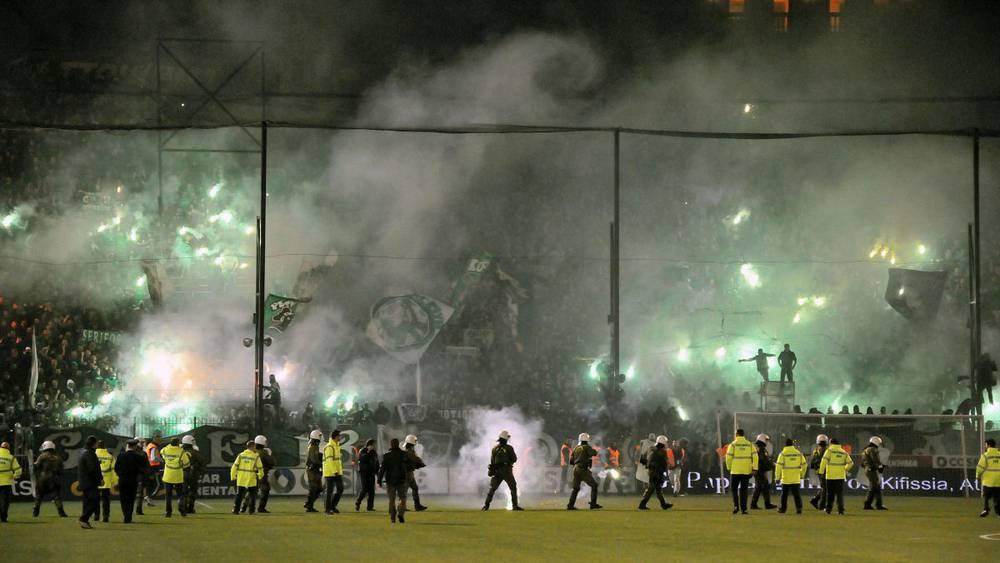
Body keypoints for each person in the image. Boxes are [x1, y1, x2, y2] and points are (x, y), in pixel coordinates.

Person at [483, 430, 524, 511]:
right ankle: (514, 506)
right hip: (506, 470)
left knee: (492, 488)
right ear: (506, 439)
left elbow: (492, 462)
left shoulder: (494, 449)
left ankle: (486, 505)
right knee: (513, 487)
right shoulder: (509, 448)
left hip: (497, 470)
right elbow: (514, 459)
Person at [724, 428, 758, 515]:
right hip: (746, 471)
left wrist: (729, 467)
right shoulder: (750, 445)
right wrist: (754, 468)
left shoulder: (733, 444)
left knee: (734, 489)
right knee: (744, 490)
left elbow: (728, 457)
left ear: (737, 434)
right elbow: (755, 457)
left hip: (735, 471)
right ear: (743, 435)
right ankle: (744, 509)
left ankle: (736, 506)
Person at [378, 438, 411, 523]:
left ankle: (393, 517)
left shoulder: (386, 455)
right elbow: (408, 467)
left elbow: (382, 469)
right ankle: (400, 513)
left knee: (391, 500)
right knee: (402, 499)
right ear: (398, 444)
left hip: (390, 481)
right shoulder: (404, 454)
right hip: (401, 480)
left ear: (391, 445)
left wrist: (379, 480)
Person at [567, 432, 602, 510]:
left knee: (576, 488)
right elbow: (594, 453)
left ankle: (570, 505)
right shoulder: (586, 447)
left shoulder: (576, 448)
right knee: (594, 485)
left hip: (575, 469)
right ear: (587, 439)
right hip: (582, 469)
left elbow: (571, 461)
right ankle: (593, 504)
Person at [32, 440, 68, 518]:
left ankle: (35, 511)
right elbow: (61, 470)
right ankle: (61, 512)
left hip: (42, 478)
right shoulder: (58, 458)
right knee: (56, 496)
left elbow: (36, 466)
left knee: (39, 495)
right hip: (54, 479)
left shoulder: (42, 456)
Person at [114, 439, 146, 523]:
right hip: (133, 480)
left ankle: (126, 515)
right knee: (131, 499)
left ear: (128, 445)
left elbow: (116, 468)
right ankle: (129, 517)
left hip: (122, 480)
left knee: (123, 499)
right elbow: (144, 468)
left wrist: (120, 475)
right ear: (135, 446)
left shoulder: (121, 455)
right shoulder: (138, 457)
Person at [819, 438, 853, 515]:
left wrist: (821, 472)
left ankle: (828, 510)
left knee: (830, 494)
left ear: (831, 443)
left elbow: (823, 461)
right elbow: (851, 463)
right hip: (840, 476)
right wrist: (845, 469)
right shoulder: (843, 452)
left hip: (830, 476)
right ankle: (841, 510)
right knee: (839, 494)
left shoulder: (829, 451)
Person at [638, 435, 673, 510]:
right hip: (657, 471)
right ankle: (642, 504)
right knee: (652, 488)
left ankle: (663, 504)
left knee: (657, 488)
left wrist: (648, 465)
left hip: (651, 470)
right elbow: (664, 463)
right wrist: (665, 472)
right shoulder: (663, 451)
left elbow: (642, 459)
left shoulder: (650, 448)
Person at [231, 440, 263, 515]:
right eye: (255, 446)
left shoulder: (241, 455)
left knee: (239, 495)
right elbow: (260, 467)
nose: (255, 448)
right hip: (251, 478)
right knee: (252, 495)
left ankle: (235, 510)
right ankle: (251, 511)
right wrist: (260, 475)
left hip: (241, 478)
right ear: (252, 447)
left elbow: (234, 466)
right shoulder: (256, 456)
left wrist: (233, 476)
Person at [774, 438, 805, 514]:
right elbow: (804, 465)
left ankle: (783, 509)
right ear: (792, 444)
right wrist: (801, 474)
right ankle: (799, 508)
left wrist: (777, 477)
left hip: (786, 478)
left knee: (784, 495)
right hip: (795, 477)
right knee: (796, 495)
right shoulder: (798, 453)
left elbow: (778, 466)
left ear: (785, 444)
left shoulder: (783, 454)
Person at [78, 435, 103, 529]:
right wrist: (99, 479)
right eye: (96, 443)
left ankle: (85, 522)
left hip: (84, 481)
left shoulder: (82, 452)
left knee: (87, 502)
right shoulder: (90, 453)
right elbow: (92, 469)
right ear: (93, 444)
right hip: (90, 482)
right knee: (95, 501)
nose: (97, 444)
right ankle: (83, 519)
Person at [161, 436, 189, 517]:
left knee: (168, 495)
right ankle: (182, 510)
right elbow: (186, 464)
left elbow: (162, 453)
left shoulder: (165, 450)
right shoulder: (181, 451)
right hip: (178, 476)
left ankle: (168, 512)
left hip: (167, 475)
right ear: (178, 443)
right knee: (180, 494)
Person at [750, 434, 777, 510]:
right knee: (764, 486)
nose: (767, 441)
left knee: (759, 487)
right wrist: (771, 464)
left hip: (758, 469)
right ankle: (766, 504)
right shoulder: (761, 448)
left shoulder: (757, 446)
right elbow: (763, 460)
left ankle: (755, 504)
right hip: (759, 470)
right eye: (766, 440)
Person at [861, 436, 887, 511]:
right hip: (871, 470)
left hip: (868, 469)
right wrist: (880, 466)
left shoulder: (865, 449)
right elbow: (875, 460)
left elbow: (863, 463)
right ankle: (868, 504)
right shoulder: (873, 449)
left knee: (876, 487)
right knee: (874, 488)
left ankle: (877, 504)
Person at [95, 440, 118, 522]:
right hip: (106, 481)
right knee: (106, 500)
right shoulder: (110, 456)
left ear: (97, 446)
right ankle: (105, 517)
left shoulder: (93, 455)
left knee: (95, 499)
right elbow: (113, 470)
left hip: (95, 481)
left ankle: (96, 516)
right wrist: (115, 482)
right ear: (104, 446)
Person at [404, 434, 428, 511]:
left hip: (409, 473)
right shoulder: (410, 451)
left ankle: (417, 506)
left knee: (414, 488)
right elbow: (415, 459)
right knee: (406, 490)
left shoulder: (409, 450)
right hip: (407, 473)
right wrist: (421, 463)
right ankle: (404, 506)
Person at [323, 429, 345, 514]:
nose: (340, 437)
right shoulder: (329, 447)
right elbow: (329, 461)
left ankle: (332, 506)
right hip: (330, 472)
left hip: (337, 472)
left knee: (340, 489)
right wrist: (334, 471)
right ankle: (327, 509)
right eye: (339, 436)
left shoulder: (336, 446)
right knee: (329, 491)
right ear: (336, 437)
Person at [977, 438, 1000, 517]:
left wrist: (978, 476)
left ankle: (986, 509)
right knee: (997, 497)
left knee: (986, 496)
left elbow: (980, 467)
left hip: (988, 480)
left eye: (985, 444)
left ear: (988, 445)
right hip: (999, 480)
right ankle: (998, 512)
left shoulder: (985, 455)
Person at [182, 435, 205, 514]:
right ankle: (190, 508)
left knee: (184, 491)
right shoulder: (195, 452)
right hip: (193, 474)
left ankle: (184, 507)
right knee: (192, 491)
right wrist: (201, 473)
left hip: (182, 473)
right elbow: (202, 462)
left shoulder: (180, 451)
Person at [0, 440, 22, 523]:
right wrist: (14, 476)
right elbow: (18, 470)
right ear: (8, 448)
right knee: (4, 501)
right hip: (6, 482)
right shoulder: (11, 457)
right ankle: (3, 517)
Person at [355, 439, 379, 512]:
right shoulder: (363, 450)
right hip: (364, 473)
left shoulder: (374, 452)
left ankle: (370, 507)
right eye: (374, 444)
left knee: (372, 491)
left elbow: (376, 462)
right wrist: (368, 451)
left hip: (371, 473)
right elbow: (362, 459)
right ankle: (358, 502)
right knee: (364, 489)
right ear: (370, 444)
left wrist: (377, 473)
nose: (375, 445)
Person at [304, 429, 323, 512]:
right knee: (314, 488)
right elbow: (314, 460)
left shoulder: (314, 447)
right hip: (312, 470)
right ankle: (309, 506)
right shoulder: (313, 447)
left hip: (315, 470)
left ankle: (309, 504)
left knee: (318, 488)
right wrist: (322, 463)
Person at [808, 434, 829, 510]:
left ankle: (815, 500)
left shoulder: (816, 450)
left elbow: (813, 462)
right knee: (825, 488)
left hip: (820, 471)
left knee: (825, 487)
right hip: (824, 471)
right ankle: (822, 505)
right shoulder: (826, 450)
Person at [143, 437, 162, 507]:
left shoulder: (149, 446)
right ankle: (149, 497)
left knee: (151, 484)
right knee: (158, 484)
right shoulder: (154, 447)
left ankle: (148, 497)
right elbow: (153, 458)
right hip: (153, 468)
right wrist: (161, 460)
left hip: (149, 467)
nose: (160, 441)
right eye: (159, 440)